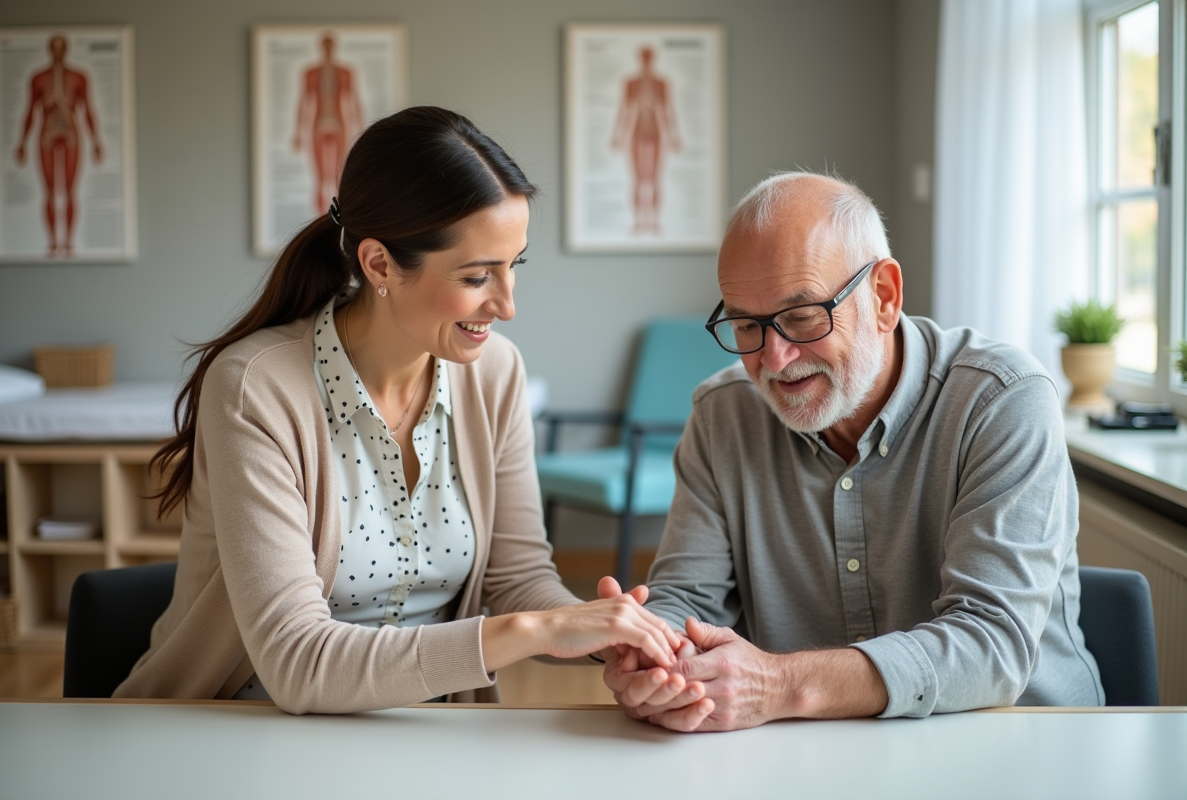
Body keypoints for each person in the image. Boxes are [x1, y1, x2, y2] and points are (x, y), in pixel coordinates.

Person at [115, 107, 681, 714]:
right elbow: (296, 662)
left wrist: (603, 634)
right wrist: (530, 633)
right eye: (476, 276)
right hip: (244, 727)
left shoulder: (495, 373)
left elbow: (516, 579)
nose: (507, 305)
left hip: (429, 736)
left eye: (513, 267)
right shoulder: (258, 388)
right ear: (379, 264)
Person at [598, 172, 1103, 731]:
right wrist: (656, 654)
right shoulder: (723, 416)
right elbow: (687, 597)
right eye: (746, 325)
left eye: (802, 317)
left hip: (1023, 744)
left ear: (883, 297)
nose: (776, 358)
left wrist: (778, 684)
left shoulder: (1002, 401)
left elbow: (990, 646)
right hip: (815, 754)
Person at [14, 33, 104, 258]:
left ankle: (70, 243)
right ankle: (54, 243)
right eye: (54, 47)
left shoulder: (79, 77)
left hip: (71, 132)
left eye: (61, 46)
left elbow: (89, 110)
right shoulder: (38, 78)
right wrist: (22, 143)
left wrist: (96, 142)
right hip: (46, 133)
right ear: (48, 49)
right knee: (50, 192)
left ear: (67, 49)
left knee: (71, 191)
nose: (57, 51)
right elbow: (29, 112)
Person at [611, 46, 680, 235]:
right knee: (638, 179)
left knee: (655, 178)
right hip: (636, 133)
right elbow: (624, 111)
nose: (646, 61)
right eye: (644, 58)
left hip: (656, 133)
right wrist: (617, 136)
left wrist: (673, 136)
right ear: (640, 59)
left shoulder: (661, 84)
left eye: (648, 58)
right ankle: (637, 222)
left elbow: (668, 112)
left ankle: (655, 221)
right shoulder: (631, 83)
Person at [293, 32, 363, 216]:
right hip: (319, 123)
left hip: (339, 123)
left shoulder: (345, 72)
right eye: (325, 45)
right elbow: (303, 102)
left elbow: (355, 100)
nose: (328, 49)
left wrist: (362, 129)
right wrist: (297, 132)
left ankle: (341, 219)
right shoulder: (311, 73)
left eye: (330, 45)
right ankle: (318, 219)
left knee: (339, 176)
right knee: (320, 177)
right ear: (321, 47)